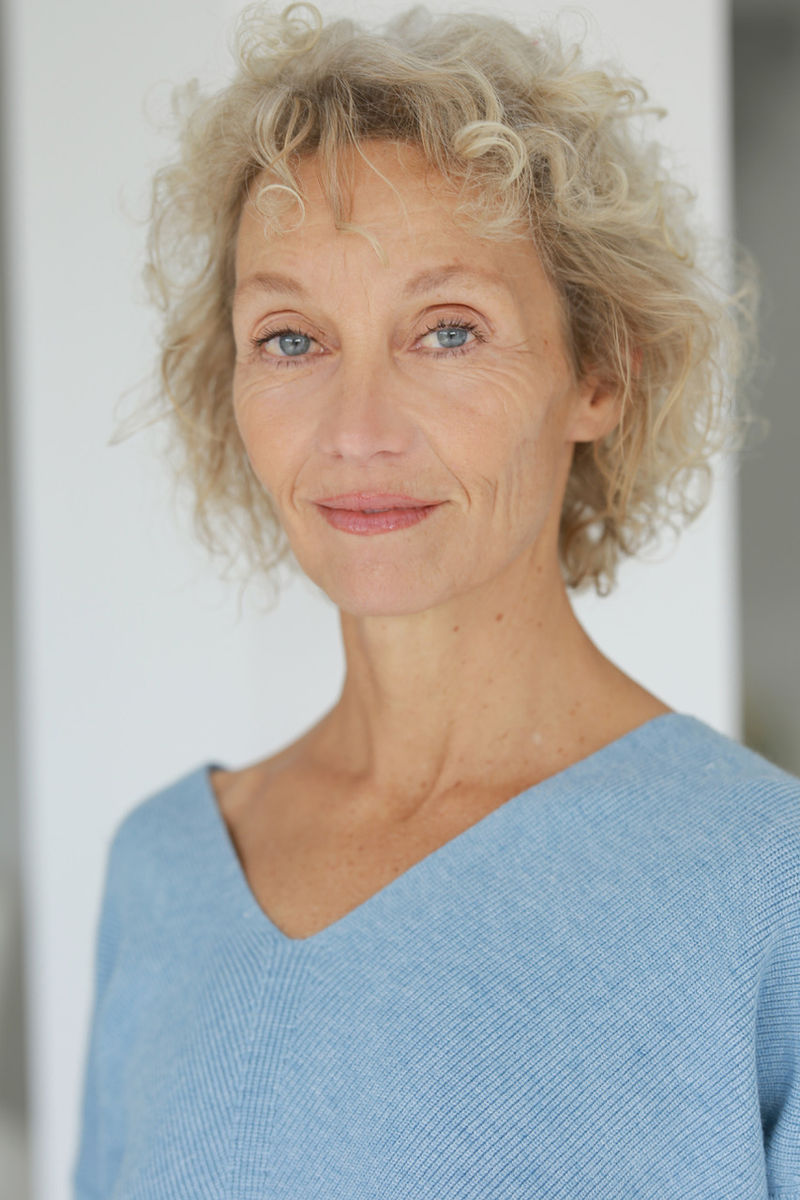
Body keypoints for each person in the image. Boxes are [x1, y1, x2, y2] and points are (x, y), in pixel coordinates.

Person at [73, 4, 800, 1198]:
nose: (355, 431)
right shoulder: (163, 875)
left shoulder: (765, 887)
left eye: (447, 330)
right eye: (291, 340)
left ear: (598, 373)